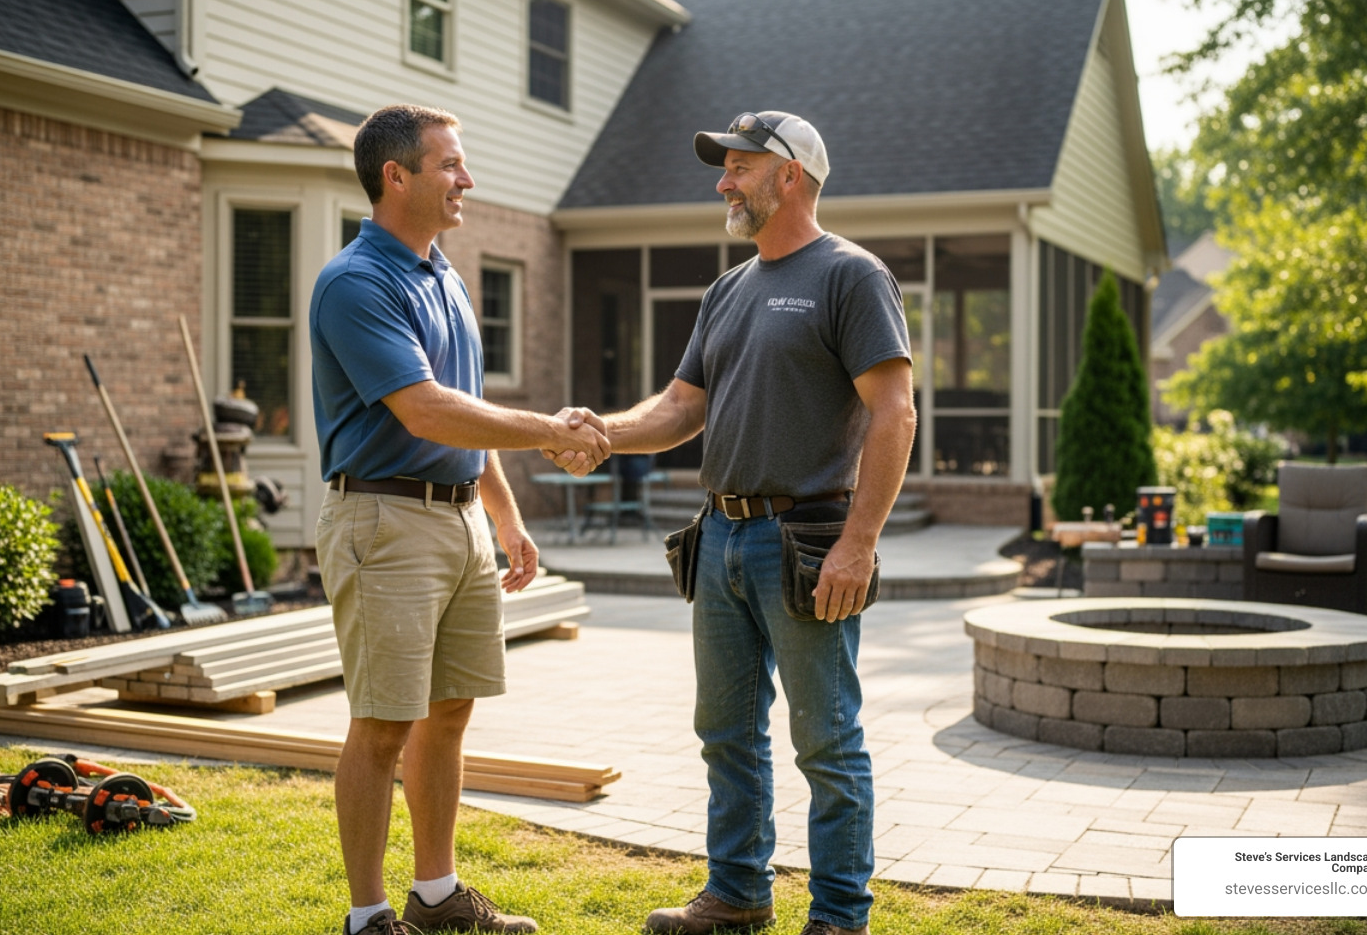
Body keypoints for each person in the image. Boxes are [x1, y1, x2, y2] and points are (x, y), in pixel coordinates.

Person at [560, 111, 915, 935]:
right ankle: (737, 897)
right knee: (725, 732)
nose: (723, 179)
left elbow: (894, 415)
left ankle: (837, 918)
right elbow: (681, 407)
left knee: (826, 742)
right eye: (723, 167)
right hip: (717, 537)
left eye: (740, 166)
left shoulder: (850, 276)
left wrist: (858, 544)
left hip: (804, 543)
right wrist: (600, 432)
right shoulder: (728, 288)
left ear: (790, 175)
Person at [311, 104, 609, 935]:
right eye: (449, 164)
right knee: (381, 723)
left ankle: (436, 897)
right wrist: (554, 430)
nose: (466, 178)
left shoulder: (443, 275)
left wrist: (506, 517)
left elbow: (468, 415)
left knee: (448, 713)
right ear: (395, 176)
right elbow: (426, 411)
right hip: (383, 518)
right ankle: (368, 917)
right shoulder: (355, 283)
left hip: (458, 521)